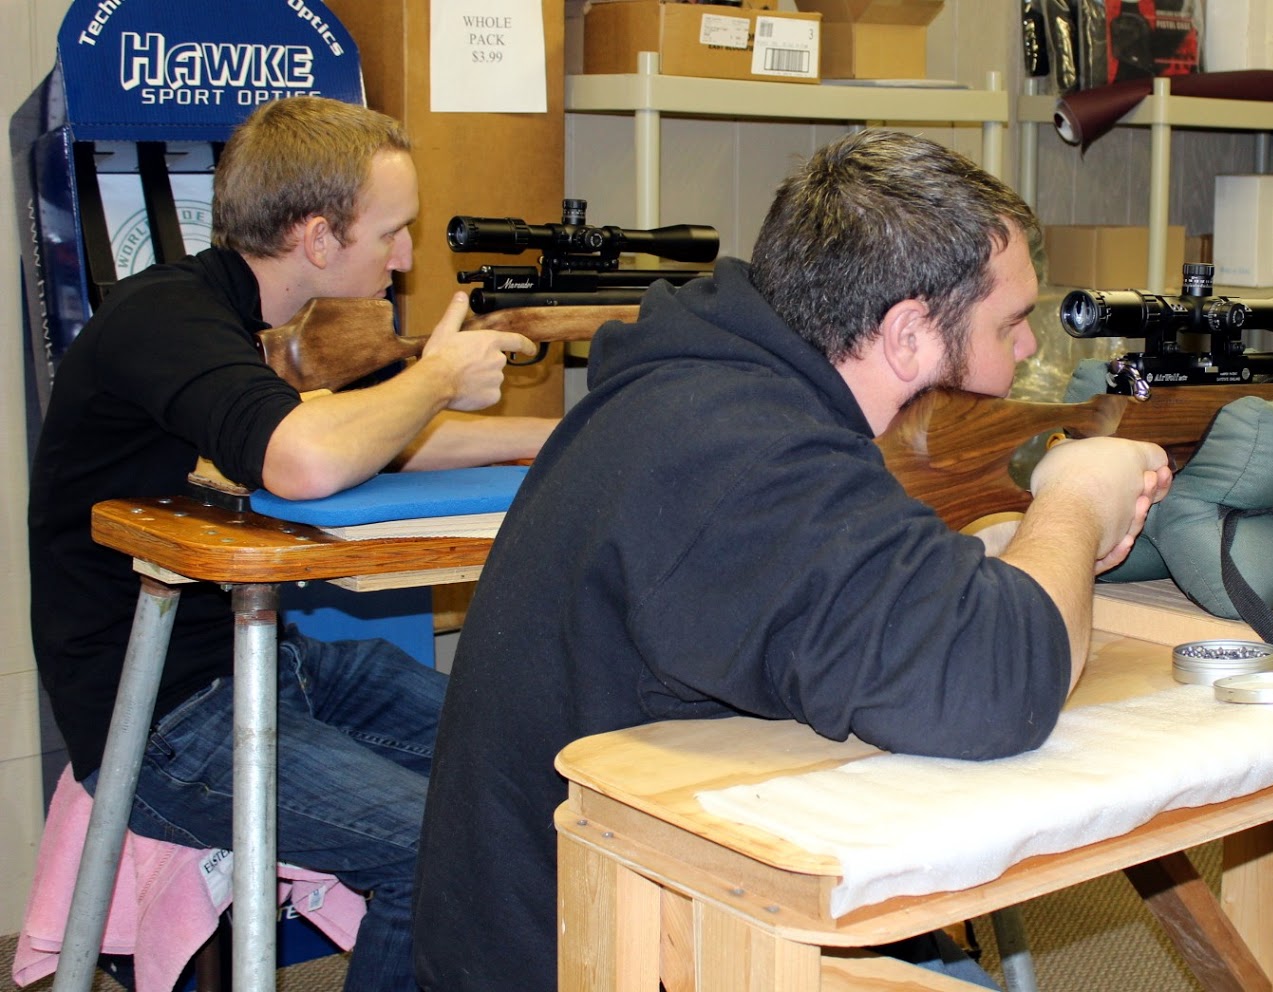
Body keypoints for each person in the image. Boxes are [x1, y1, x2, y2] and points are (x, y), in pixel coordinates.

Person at [412, 129, 1171, 990]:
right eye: (1010, 323)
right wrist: (1074, 498)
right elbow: (1001, 684)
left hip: (628, 903)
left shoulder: (714, 389)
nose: (1029, 350)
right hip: (596, 953)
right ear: (910, 333)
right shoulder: (744, 456)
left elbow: (825, 575)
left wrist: (990, 553)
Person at [27, 95, 555, 992]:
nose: (405, 256)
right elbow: (307, 460)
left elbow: (331, 430)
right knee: (436, 853)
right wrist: (431, 378)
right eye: (393, 232)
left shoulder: (230, 320)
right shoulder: (164, 318)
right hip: (158, 715)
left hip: (264, 661)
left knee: (537, 754)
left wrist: (542, 435)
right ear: (317, 238)